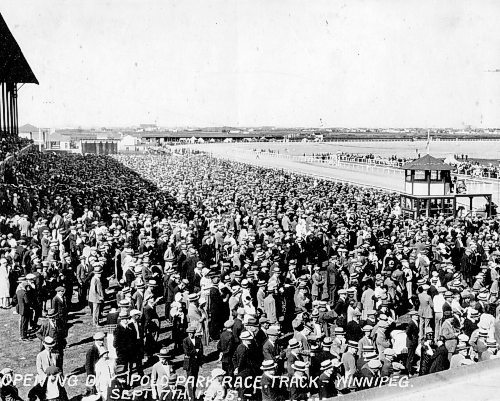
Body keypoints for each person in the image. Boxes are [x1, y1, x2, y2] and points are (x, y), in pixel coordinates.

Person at [183, 326, 204, 401]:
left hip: (196, 363)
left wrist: (200, 360)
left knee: (195, 379)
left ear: (194, 333)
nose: (190, 335)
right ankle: (191, 397)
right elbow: (186, 352)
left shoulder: (198, 340)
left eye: (191, 333)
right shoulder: (185, 341)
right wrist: (196, 351)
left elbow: (201, 351)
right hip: (189, 363)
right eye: (189, 333)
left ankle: (193, 395)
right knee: (190, 379)